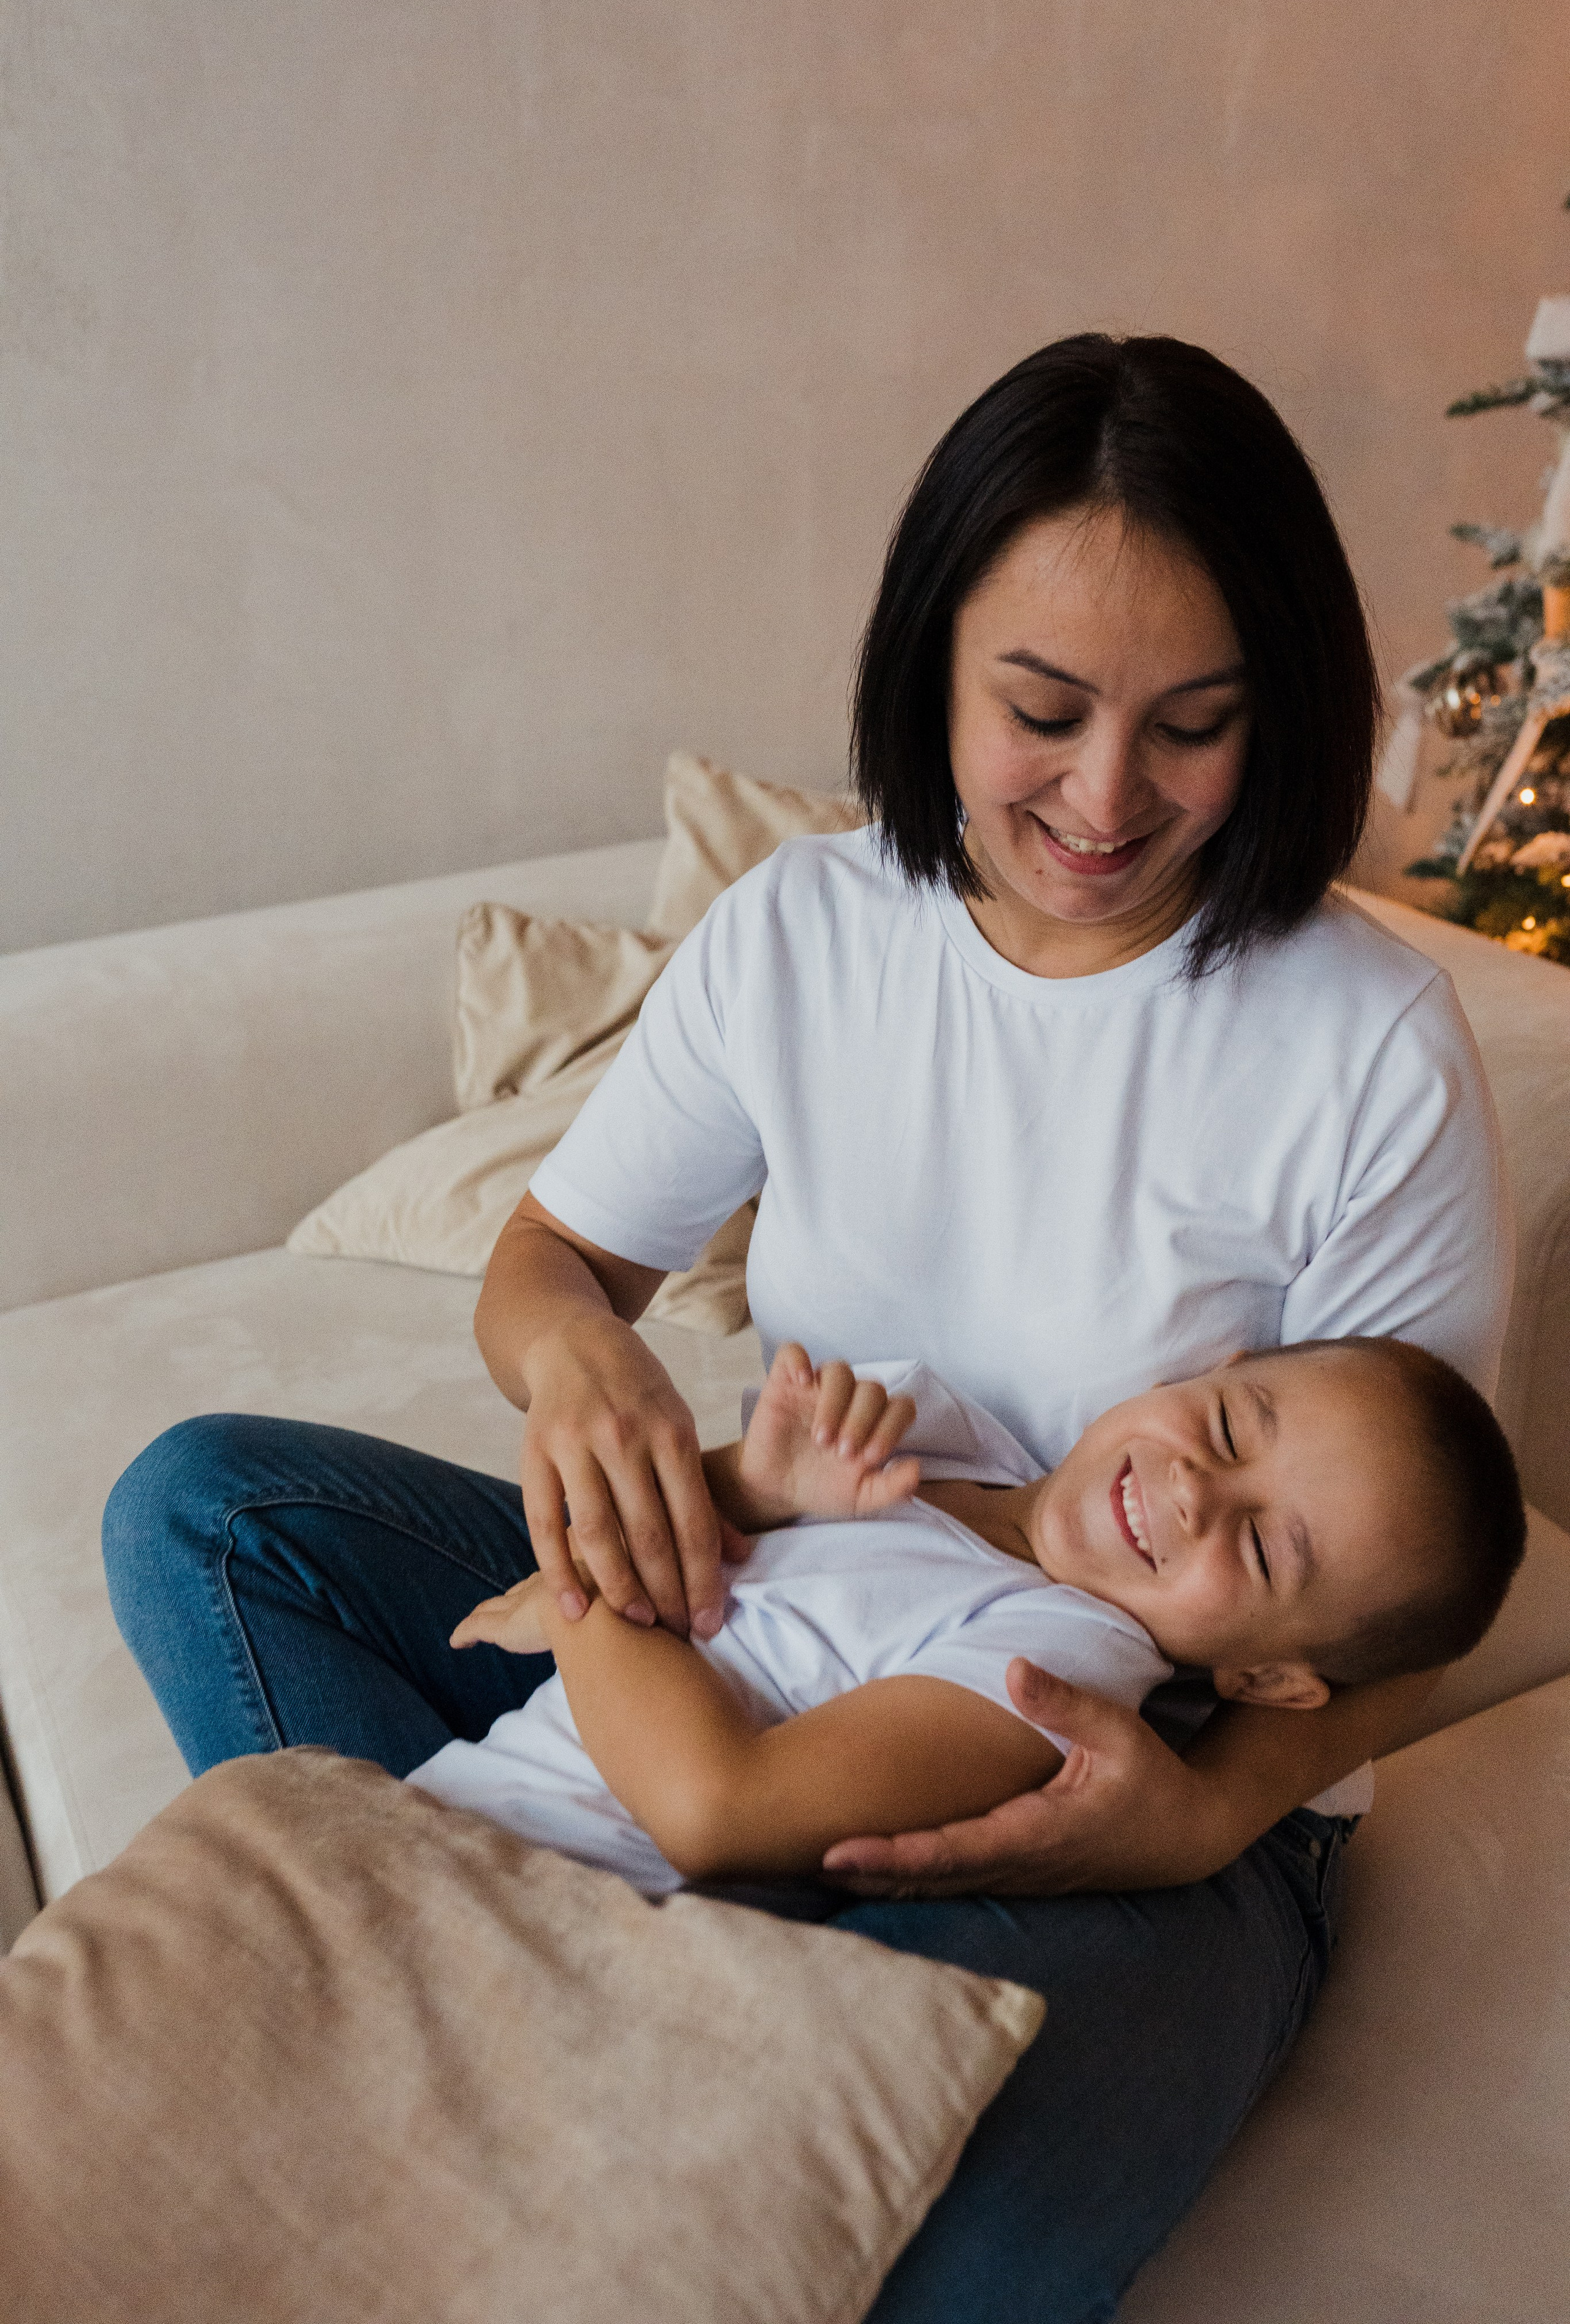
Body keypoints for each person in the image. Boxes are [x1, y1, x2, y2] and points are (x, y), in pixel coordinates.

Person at [103, 333, 1512, 2322]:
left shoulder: (1362, 1042)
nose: (1108, 800)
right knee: (209, 1511)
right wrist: (584, 1365)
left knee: (950, 2171)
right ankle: (471, 1962)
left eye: (1195, 725)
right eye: (1042, 710)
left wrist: (1210, 1810)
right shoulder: (810, 931)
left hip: (1124, 1772)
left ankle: (596, 1961)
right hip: (785, 1607)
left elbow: (1430, 1578)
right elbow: (552, 1265)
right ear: (931, 659)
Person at [413, 1342, 1526, 1898]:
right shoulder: (936, 1430)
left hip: (526, 1889)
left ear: (1274, 1681)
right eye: (1231, 1425)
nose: (1197, 1490)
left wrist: (596, 1598)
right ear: (1212, 1368)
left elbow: (716, 1812)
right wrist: (753, 1486)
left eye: (1263, 1548)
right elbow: (751, 1577)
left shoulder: (1061, 1666)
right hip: (435, 1817)